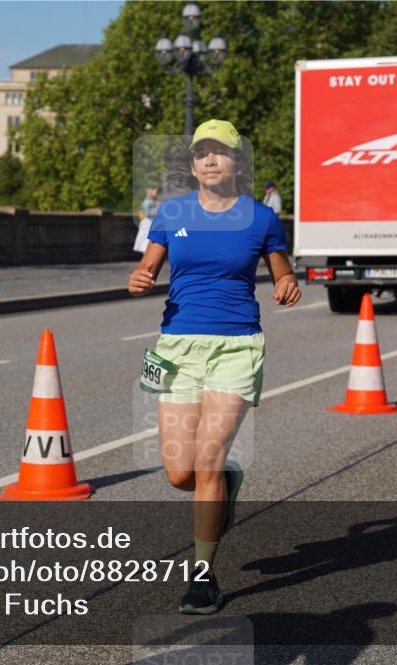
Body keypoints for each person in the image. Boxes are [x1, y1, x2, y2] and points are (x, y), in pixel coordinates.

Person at [127, 119, 300, 614]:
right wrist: (139, 278)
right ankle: (224, 478)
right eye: (201, 152)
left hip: (236, 347)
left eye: (220, 152)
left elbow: (281, 269)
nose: (209, 160)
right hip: (177, 349)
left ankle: (202, 578)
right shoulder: (171, 211)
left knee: (204, 463)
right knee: (179, 473)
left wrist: (287, 284)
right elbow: (148, 267)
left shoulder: (260, 217)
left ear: (237, 163)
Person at [134, 185, 159, 253]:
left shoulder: (152, 201)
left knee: (147, 244)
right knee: (145, 244)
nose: (156, 193)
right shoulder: (147, 202)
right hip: (147, 224)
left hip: (149, 224)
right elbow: (147, 214)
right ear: (150, 191)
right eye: (155, 191)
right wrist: (158, 210)